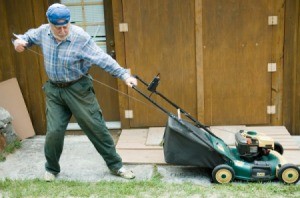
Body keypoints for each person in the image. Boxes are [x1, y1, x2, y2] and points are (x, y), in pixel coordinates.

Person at [13, 3, 137, 181]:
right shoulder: (43, 32)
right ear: (50, 24)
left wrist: (124, 75)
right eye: (58, 27)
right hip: (55, 91)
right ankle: (51, 169)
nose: (63, 31)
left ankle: (116, 166)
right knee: (54, 132)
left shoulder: (81, 37)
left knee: (96, 128)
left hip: (78, 90)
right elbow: (25, 38)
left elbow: (102, 59)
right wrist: (19, 42)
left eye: (66, 26)